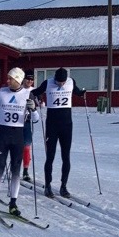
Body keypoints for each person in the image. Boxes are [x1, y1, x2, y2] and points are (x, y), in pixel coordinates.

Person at [0, 68, 38, 217]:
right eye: (8, 78)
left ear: (18, 80)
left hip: (18, 137)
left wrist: (33, 109)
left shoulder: (28, 94)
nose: (8, 81)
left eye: (11, 78)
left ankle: (13, 203)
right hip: (3, 136)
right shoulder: (1, 92)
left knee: (16, 171)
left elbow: (35, 119)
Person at [32, 67, 86, 198]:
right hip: (52, 126)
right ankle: (48, 186)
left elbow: (77, 91)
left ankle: (63, 186)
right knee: (50, 157)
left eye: (63, 82)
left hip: (67, 126)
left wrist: (82, 93)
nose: (61, 84)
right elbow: (34, 92)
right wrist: (37, 96)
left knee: (66, 156)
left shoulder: (71, 81)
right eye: (58, 82)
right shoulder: (47, 82)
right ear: (55, 78)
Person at [22, 69, 37, 181]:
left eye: (32, 79)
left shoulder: (34, 91)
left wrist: (38, 103)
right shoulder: (17, 89)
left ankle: (25, 170)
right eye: (28, 79)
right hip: (16, 122)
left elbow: (38, 103)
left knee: (27, 147)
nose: (30, 81)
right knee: (16, 147)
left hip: (27, 122)